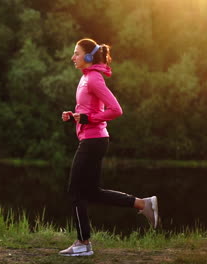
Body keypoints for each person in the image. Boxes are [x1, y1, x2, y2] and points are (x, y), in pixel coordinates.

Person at [59, 38, 159, 257]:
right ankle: (143, 204)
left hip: (94, 141)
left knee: (75, 191)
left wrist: (88, 118)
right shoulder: (86, 78)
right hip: (92, 139)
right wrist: (75, 117)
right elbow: (88, 111)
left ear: (87, 57)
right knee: (91, 192)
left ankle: (83, 243)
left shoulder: (94, 79)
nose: (72, 57)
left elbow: (116, 109)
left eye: (76, 53)